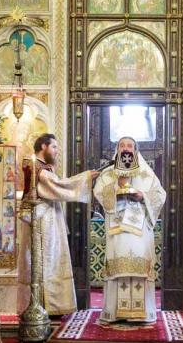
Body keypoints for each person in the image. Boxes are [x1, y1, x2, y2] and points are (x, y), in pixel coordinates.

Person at [16, 133, 96, 316]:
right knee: (43, 261)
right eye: (54, 147)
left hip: (49, 219)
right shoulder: (33, 164)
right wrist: (86, 178)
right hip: (40, 221)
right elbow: (59, 186)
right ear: (43, 146)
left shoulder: (44, 167)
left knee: (52, 260)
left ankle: (51, 306)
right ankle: (40, 306)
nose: (56, 151)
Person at [93, 137, 166, 324]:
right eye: (122, 145)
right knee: (118, 264)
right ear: (117, 150)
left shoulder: (146, 173)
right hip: (117, 228)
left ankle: (143, 313)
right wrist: (118, 185)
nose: (126, 149)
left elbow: (159, 195)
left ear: (136, 150)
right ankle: (115, 313)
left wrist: (142, 196)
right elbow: (99, 193)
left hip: (139, 230)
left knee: (140, 264)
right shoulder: (108, 173)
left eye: (130, 146)